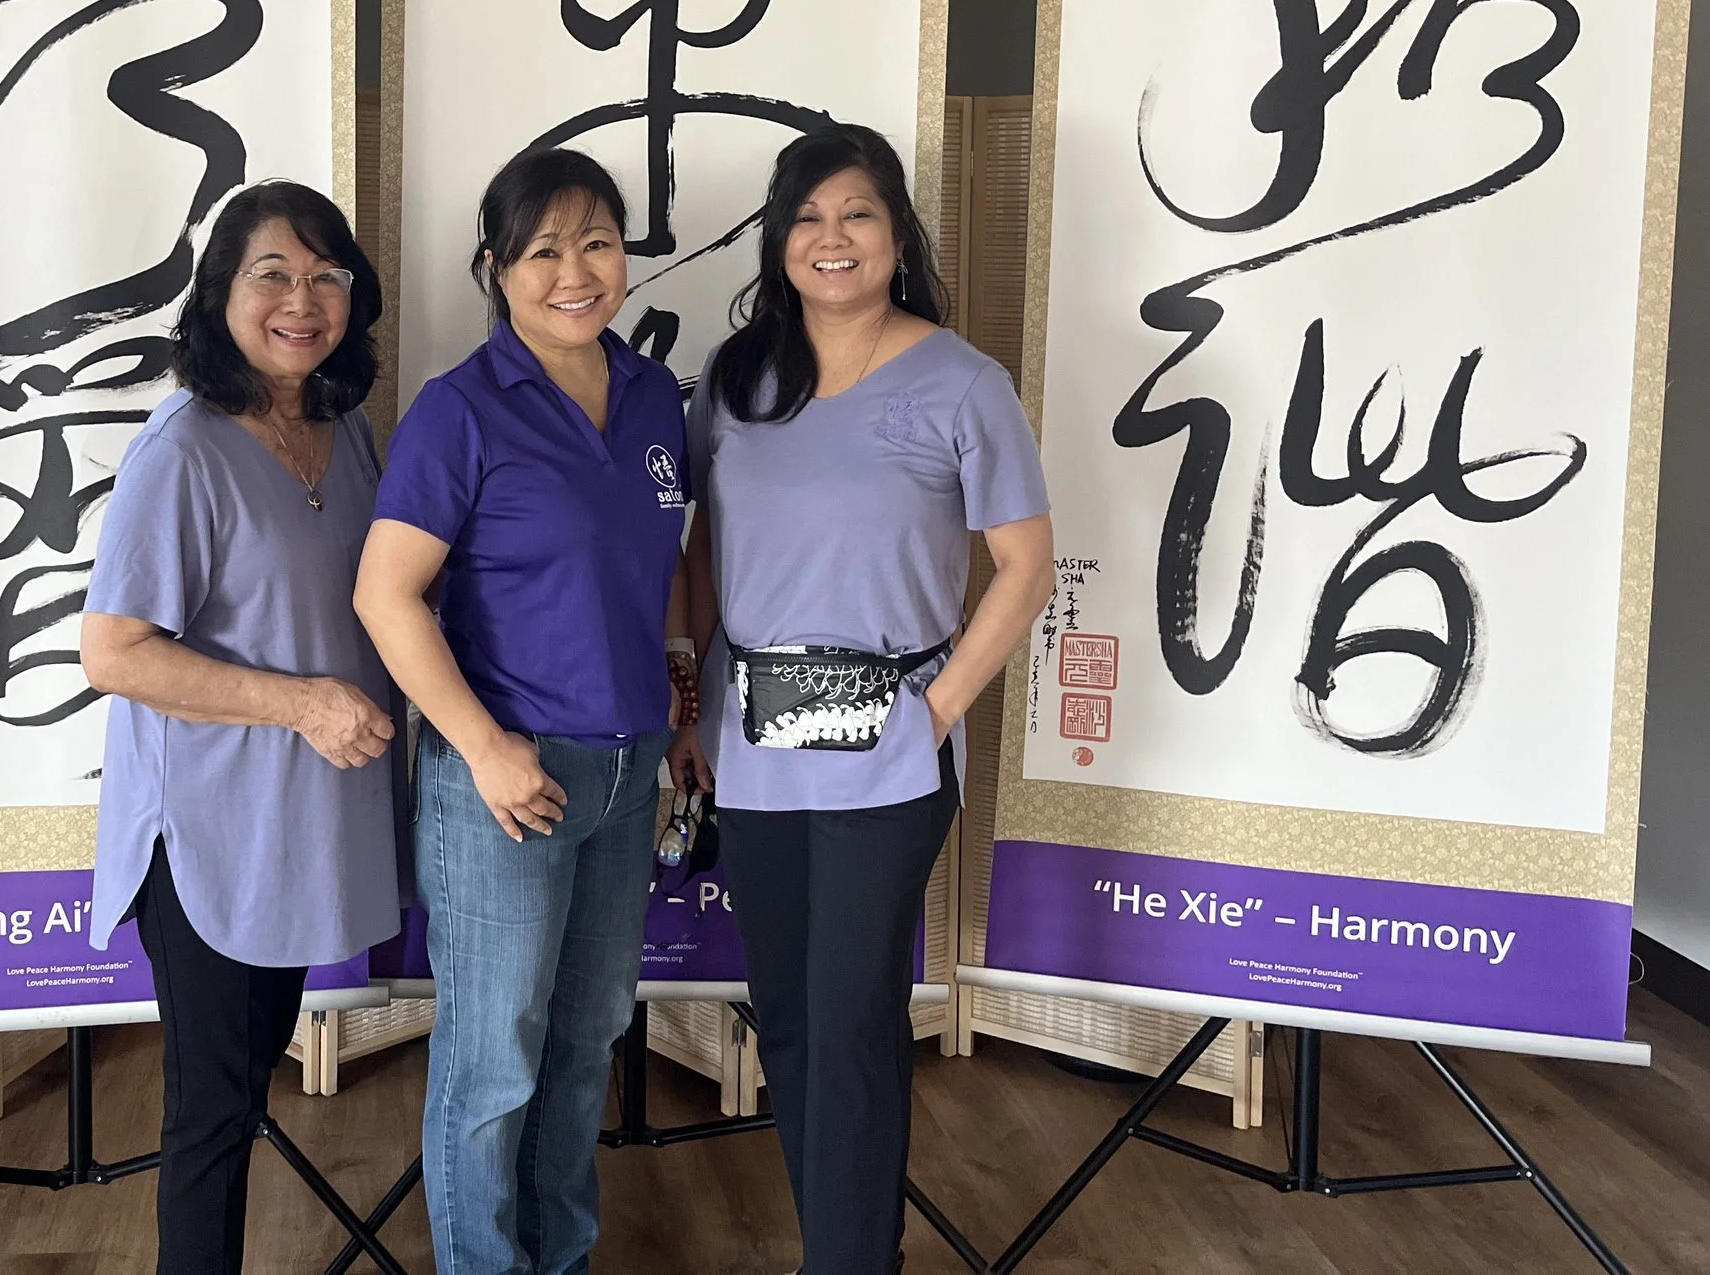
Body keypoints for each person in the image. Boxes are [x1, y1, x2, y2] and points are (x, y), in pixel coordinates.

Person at [668, 124, 1054, 1275]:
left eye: (857, 215)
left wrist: (933, 714)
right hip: (753, 735)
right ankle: (836, 1245)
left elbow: (1024, 566)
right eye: (807, 217)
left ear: (897, 237)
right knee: (785, 1012)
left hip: (888, 742)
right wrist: (693, 700)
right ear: (779, 241)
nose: (831, 238)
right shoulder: (734, 382)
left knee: (849, 1016)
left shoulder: (961, 381)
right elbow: (697, 545)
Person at [354, 147, 689, 1275]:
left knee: (583, 1044)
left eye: (597, 241)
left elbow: (661, 563)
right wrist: (484, 747)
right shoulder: (461, 410)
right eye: (542, 249)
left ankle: (559, 1258)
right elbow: (384, 596)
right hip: (506, 776)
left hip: (629, 763)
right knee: (494, 1059)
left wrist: (679, 688)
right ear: (496, 269)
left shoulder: (652, 397)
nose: (574, 271)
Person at [80, 180, 401, 1275]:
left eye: (325, 278)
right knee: (212, 1112)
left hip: (297, 823)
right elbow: (113, 652)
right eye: (271, 274)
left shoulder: (341, 426)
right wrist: (301, 702)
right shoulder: (182, 450)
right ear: (220, 293)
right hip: (208, 832)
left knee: (246, 1083)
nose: (300, 301)